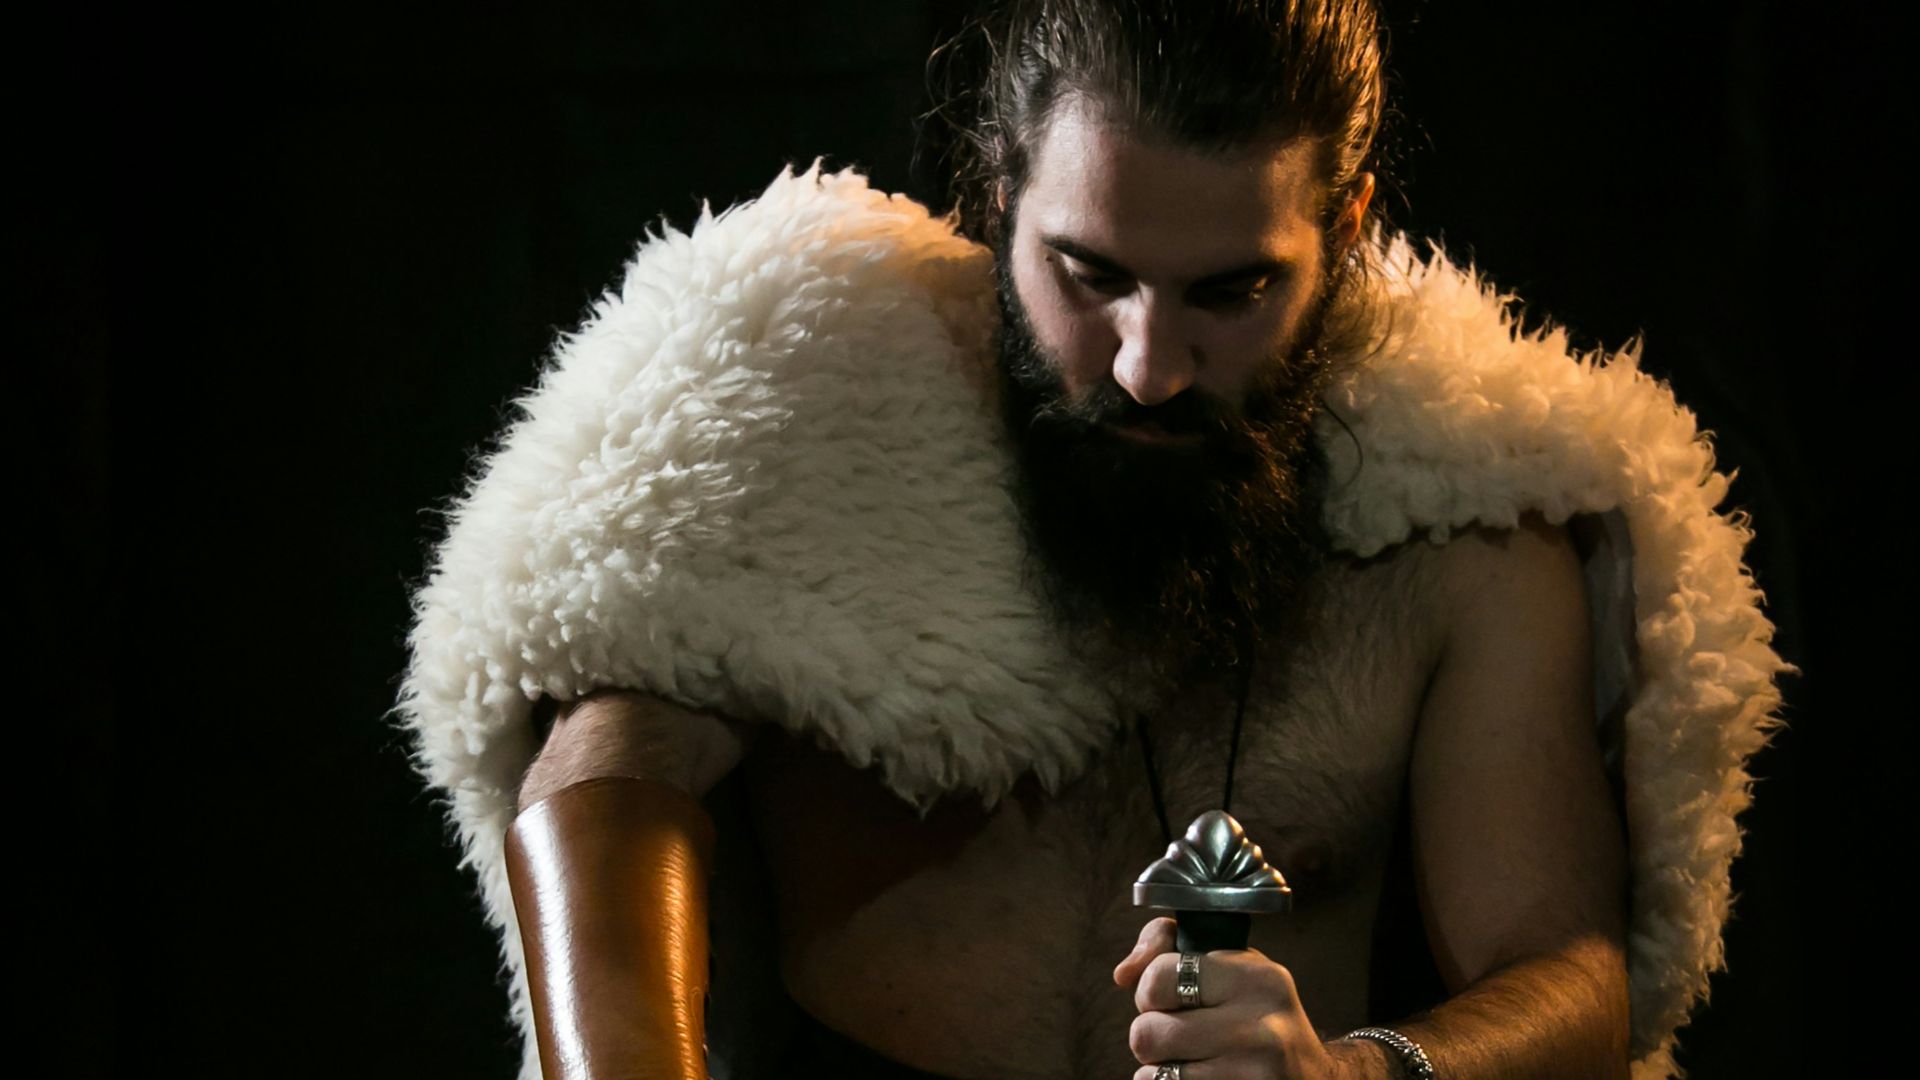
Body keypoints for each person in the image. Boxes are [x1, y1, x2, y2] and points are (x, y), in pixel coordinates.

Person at [395, 3, 1791, 1079]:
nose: (1146, 368)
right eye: (1090, 275)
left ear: (1346, 231)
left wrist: (1357, 1072)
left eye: (1233, 293)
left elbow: (1566, 968)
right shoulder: (796, 423)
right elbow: (604, 778)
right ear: (998, 196)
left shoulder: (1467, 533)